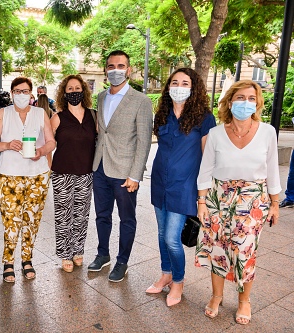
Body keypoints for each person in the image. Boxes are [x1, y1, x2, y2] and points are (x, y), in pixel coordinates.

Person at [196, 80, 281, 325]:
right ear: (230, 101)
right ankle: (216, 296)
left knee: (245, 251)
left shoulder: (267, 132)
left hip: (253, 199)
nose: (246, 103)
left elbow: (272, 170)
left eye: (251, 98)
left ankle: (244, 301)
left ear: (257, 103)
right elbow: (205, 171)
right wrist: (202, 202)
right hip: (218, 197)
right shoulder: (215, 133)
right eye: (241, 98)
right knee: (217, 249)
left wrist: (275, 203)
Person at [148, 68, 216, 306]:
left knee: (172, 238)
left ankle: (178, 280)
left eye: (184, 82)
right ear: (168, 87)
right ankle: (166, 273)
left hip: (185, 185)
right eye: (174, 82)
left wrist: (202, 197)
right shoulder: (163, 114)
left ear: (193, 87)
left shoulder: (205, 118)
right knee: (160, 234)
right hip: (159, 182)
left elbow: (208, 158)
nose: (178, 86)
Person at [87, 50, 153, 283]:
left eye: (120, 66)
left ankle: (122, 261)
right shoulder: (102, 97)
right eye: (111, 66)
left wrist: (135, 175)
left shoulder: (141, 101)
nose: (116, 70)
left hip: (125, 173)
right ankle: (102, 254)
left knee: (127, 219)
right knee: (102, 216)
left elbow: (144, 141)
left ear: (129, 69)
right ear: (106, 69)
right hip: (100, 168)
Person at [0, 76, 56, 283]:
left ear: (31, 94)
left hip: (38, 175)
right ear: (12, 93)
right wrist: (7, 145)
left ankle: (27, 259)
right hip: (10, 175)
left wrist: (41, 150)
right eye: (17, 91)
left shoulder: (40, 113)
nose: (21, 95)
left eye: (25, 91)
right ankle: (9, 262)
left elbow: (52, 142)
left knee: (32, 221)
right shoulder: (3, 113)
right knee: (11, 221)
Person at [50, 74, 96, 273]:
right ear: (64, 93)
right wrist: (51, 167)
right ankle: (64, 254)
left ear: (83, 91)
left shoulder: (93, 116)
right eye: (70, 89)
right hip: (62, 174)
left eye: (78, 88)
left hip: (86, 173)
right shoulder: (57, 117)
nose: (74, 92)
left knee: (81, 215)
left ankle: (78, 250)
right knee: (63, 216)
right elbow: (48, 144)